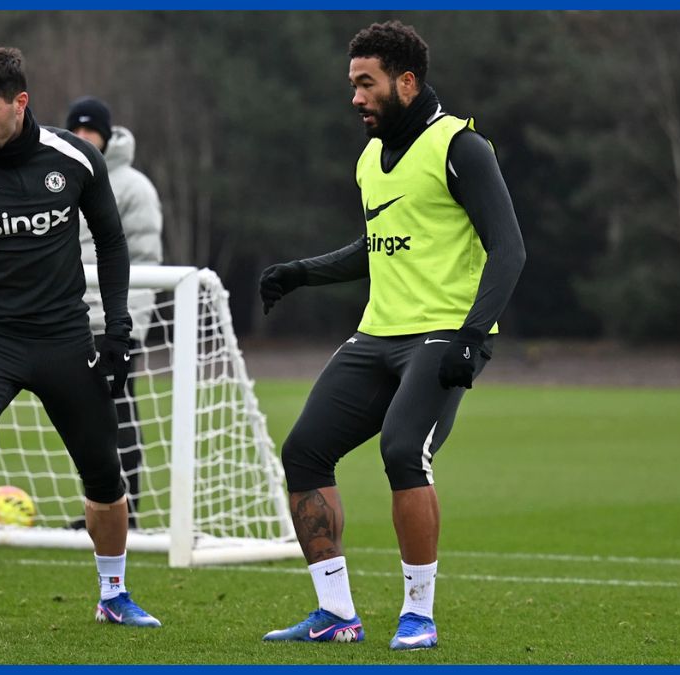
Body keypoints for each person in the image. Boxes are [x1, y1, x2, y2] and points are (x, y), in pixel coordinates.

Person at [258, 21, 525, 650]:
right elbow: (376, 248)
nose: (354, 96)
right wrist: (303, 273)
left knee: (404, 452)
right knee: (302, 454)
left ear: (406, 81)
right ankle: (335, 614)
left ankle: (419, 615)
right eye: (351, 84)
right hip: (378, 335)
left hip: (443, 335)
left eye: (365, 83)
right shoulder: (370, 160)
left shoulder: (460, 146)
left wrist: (471, 335)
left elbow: (508, 251)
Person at [0, 47, 161, 632]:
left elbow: (115, 246)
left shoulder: (75, 159)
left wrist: (118, 331)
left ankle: (114, 594)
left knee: (103, 469)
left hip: (64, 337)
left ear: (20, 103)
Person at [64, 95, 163, 531]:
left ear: (106, 135)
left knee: (118, 411)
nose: (84, 138)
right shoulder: (59, 179)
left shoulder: (133, 186)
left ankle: (130, 513)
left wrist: (128, 319)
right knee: (83, 417)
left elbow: (143, 259)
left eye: (91, 131)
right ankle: (99, 511)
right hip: (70, 317)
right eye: (77, 130)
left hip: (115, 320)